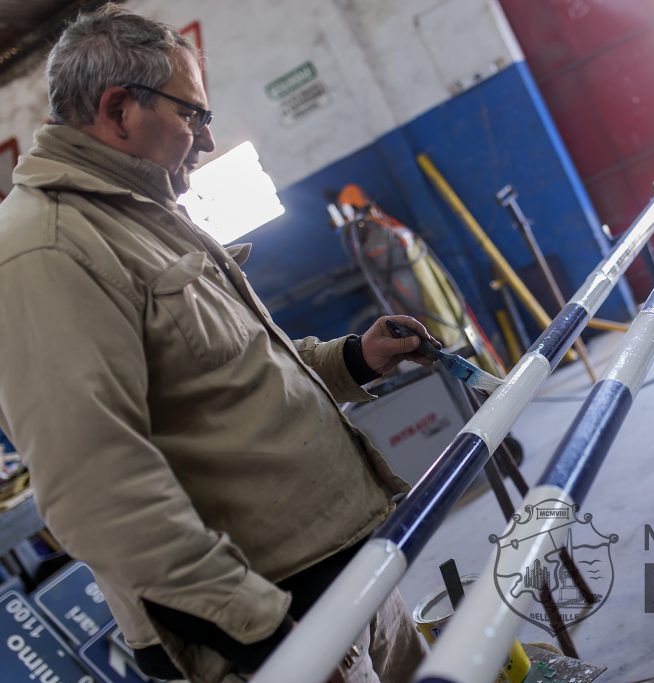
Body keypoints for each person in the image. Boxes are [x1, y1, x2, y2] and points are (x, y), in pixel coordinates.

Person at [0, 5, 432, 682]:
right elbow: (96, 489)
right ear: (119, 109)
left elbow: (229, 375)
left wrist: (353, 360)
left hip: (335, 573)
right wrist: (260, 632)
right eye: (193, 114)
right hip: (270, 617)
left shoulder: (145, 209)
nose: (204, 139)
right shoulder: (46, 247)